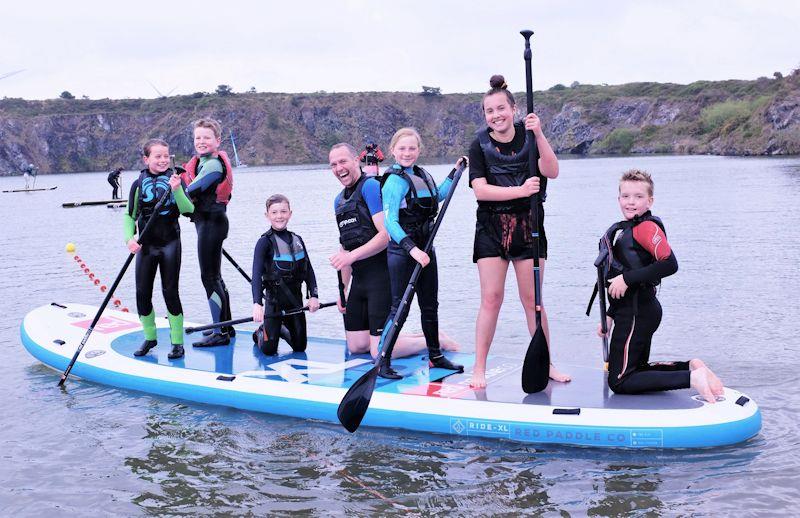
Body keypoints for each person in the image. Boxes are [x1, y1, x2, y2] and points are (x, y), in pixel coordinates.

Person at [467, 74, 570, 389]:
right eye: (489, 111)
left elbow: (552, 170)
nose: (496, 115)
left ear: (513, 109)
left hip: (529, 227)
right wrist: (522, 190)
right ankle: (479, 368)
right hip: (492, 229)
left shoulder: (530, 136)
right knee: (492, 299)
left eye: (501, 108)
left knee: (533, 300)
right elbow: (481, 191)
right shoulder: (479, 144)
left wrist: (539, 135)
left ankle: (547, 363)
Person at [328, 143, 458, 377]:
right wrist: (343, 288)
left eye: (343, 161)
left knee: (376, 350)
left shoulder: (370, 187)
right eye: (334, 164)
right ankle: (418, 336)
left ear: (356, 161)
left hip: (381, 275)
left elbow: (386, 234)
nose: (339, 168)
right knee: (356, 347)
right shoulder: (339, 201)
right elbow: (344, 247)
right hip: (359, 279)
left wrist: (352, 256)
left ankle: (433, 341)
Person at [596, 170, 723, 403]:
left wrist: (628, 279)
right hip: (635, 310)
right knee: (636, 368)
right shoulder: (627, 229)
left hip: (637, 313)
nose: (631, 202)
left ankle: (691, 378)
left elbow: (670, 264)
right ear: (618, 199)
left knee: (620, 380)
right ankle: (691, 368)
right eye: (625, 196)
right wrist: (610, 315)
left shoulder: (645, 228)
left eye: (638, 196)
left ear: (650, 201)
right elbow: (621, 272)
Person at [381, 127, 465, 378]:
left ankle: (435, 355)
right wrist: (412, 249)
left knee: (430, 305)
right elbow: (390, 222)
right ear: (393, 151)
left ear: (419, 150)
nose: (407, 153)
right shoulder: (394, 181)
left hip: (426, 249)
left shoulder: (422, 174)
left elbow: (438, 195)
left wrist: (455, 172)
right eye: (402, 148)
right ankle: (383, 360)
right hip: (403, 251)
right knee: (401, 308)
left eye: (412, 148)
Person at [124, 139, 194, 360]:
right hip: (146, 245)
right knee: (142, 293)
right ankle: (150, 337)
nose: (163, 160)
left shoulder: (176, 180)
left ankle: (177, 342)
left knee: (170, 292)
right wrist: (129, 238)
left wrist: (177, 190)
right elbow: (130, 216)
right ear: (147, 159)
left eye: (166, 156)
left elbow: (188, 209)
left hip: (170, 244)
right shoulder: (137, 184)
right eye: (158, 156)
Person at [181, 118, 235, 347]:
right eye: (198, 138)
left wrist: (174, 186)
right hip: (210, 224)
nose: (201, 141)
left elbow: (191, 190)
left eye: (206, 137)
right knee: (216, 277)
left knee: (209, 278)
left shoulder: (212, 165)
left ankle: (220, 332)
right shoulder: (204, 162)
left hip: (212, 224)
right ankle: (226, 327)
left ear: (217, 141)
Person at [252, 194, 320, 355]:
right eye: (274, 212)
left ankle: (280, 329)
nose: (279, 216)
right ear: (267, 215)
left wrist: (314, 296)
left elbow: (309, 270)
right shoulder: (264, 243)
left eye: (283, 211)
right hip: (274, 304)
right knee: (269, 350)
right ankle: (261, 332)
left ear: (290, 213)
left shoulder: (298, 239)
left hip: (295, 302)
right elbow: (256, 274)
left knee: (299, 347)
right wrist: (257, 304)